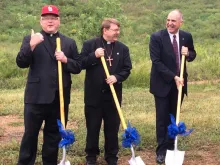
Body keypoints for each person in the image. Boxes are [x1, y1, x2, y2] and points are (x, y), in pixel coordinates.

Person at [16, 5, 81, 165]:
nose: (49, 21)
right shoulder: (30, 38)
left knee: (53, 135)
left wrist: (66, 60)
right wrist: (31, 45)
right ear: (41, 21)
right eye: (46, 18)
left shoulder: (69, 42)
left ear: (58, 21)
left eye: (53, 18)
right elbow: (21, 62)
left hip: (59, 98)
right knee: (30, 134)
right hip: (36, 97)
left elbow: (78, 66)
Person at [80, 18, 132, 165]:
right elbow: (81, 64)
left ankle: (111, 156)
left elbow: (127, 69)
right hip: (93, 96)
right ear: (105, 30)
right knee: (93, 127)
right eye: (115, 30)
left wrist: (117, 77)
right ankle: (91, 156)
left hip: (113, 96)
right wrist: (94, 56)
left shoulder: (123, 48)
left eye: (118, 30)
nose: (118, 33)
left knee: (112, 128)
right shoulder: (90, 44)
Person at [149, 9, 196, 164]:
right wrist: (174, 76)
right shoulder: (156, 37)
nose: (169, 23)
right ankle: (161, 151)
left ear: (180, 22)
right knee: (162, 118)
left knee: (174, 117)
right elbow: (156, 62)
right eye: (168, 20)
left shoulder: (186, 36)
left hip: (179, 85)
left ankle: (171, 147)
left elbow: (193, 54)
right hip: (162, 84)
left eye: (173, 21)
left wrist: (188, 53)